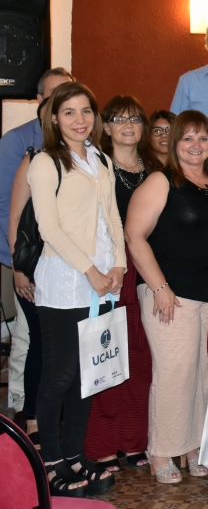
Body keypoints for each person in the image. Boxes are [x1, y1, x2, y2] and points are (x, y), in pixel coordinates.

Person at [125, 110, 208, 483]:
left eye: (202, 138)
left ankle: (192, 446)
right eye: (187, 138)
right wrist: (160, 287)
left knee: (203, 374)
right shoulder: (161, 181)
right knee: (175, 373)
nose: (196, 145)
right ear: (175, 142)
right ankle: (161, 451)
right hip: (171, 294)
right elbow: (134, 236)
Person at [27, 82, 125, 497]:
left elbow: (112, 217)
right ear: (54, 117)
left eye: (86, 111)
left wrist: (119, 263)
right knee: (60, 374)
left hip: (101, 282)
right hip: (65, 281)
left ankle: (74, 453)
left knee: (87, 376)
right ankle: (50, 463)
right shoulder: (45, 162)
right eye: (69, 112)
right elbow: (49, 228)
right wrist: (89, 270)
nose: (79, 120)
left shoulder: (99, 158)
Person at [84, 97, 164, 473]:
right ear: (106, 127)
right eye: (118, 119)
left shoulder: (155, 169)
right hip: (111, 272)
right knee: (106, 356)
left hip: (148, 270)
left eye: (135, 119)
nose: (128, 125)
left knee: (141, 359)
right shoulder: (96, 166)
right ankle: (102, 444)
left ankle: (134, 441)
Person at [0, 67, 73, 447]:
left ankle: (51, 416)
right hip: (29, 263)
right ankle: (25, 416)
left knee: (58, 344)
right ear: (42, 102)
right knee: (33, 341)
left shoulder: (81, 148)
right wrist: (19, 266)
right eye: (55, 96)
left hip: (68, 266)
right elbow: (6, 210)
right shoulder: (19, 144)